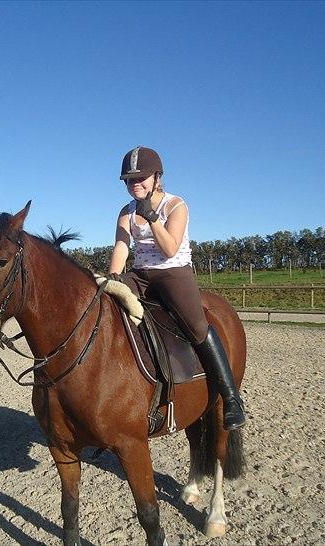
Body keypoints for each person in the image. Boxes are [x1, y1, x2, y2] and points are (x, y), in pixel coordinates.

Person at [108, 146, 246, 430]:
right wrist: (113, 279)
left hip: (173, 273)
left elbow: (170, 249)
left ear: (156, 177)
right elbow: (121, 248)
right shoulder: (126, 212)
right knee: (107, 303)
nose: (135, 184)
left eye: (141, 178)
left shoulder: (175, 205)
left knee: (197, 326)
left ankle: (232, 398)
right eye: (130, 179)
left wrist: (152, 217)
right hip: (141, 275)